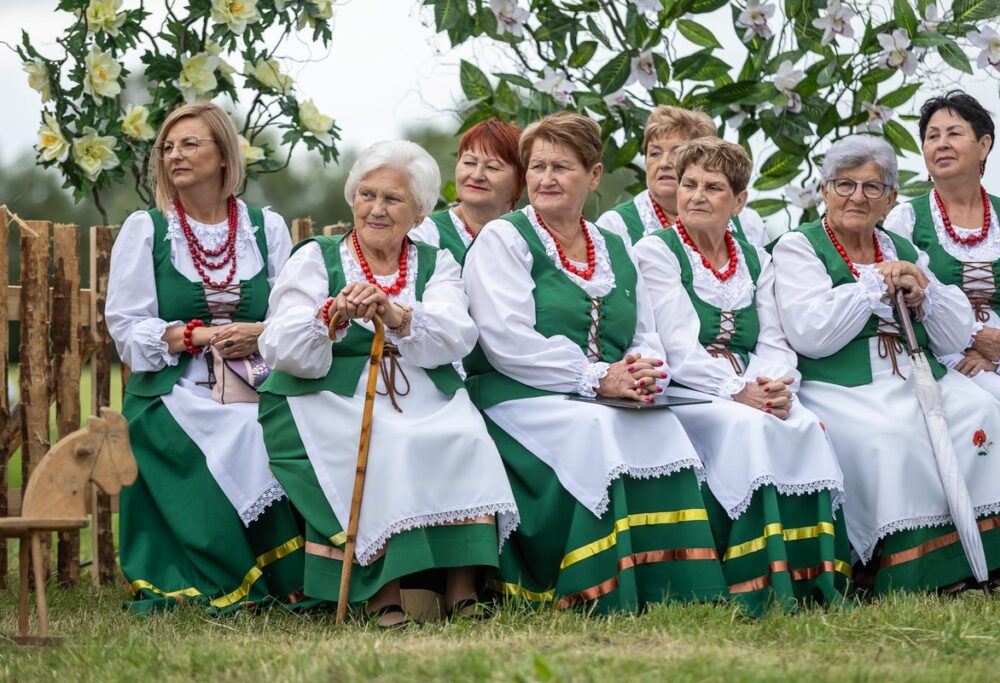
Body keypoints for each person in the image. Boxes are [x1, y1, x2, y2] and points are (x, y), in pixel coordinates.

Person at [463, 111, 727, 613]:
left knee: (663, 427)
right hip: (518, 391)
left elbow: (645, 331)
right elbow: (506, 341)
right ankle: (594, 587)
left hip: (605, 389)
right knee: (599, 431)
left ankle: (673, 587)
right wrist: (597, 377)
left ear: (594, 175)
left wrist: (644, 370)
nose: (545, 178)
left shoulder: (614, 244)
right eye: (537, 167)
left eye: (561, 167)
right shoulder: (505, 238)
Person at [257, 140, 519, 627]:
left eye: (392, 199)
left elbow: (457, 333)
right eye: (367, 195)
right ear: (352, 199)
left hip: (418, 384)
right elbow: (279, 341)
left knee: (465, 436)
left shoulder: (435, 261)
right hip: (332, 392)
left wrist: (396, 314)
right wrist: (329, 316)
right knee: (391, 440)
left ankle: (461, 589)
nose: (376, 209)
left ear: (419, 212)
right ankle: (384, 591)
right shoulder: (317, 258)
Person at [772, 134, 1000, 595]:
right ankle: (914, 572)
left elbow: (952, 333)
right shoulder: (798, 246)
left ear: (889, 200)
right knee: (892, 437)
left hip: (917, 372)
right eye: (844, 185)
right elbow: (811, 332)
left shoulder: (899, 245)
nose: (857, 197)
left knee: (982, 415)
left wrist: (923, 290)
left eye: (872, 188)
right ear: (825, 190)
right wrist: (871, 287)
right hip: (843, 384)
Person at [635, 138, 848, 615]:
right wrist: (737, 391)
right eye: (689, 184)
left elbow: (774, 338)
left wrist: (772, 386)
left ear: (739, 200)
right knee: (749, 427)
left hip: (752, 385)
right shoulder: (657, 251)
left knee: (806, 426)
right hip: (690, 391)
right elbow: (677, 347)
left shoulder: (756, 258)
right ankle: (754, 580)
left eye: (713, 187)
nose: (696, 195)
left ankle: (813, 577)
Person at [107, 102, 303, 613]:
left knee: (292, 424)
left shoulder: (267, 228)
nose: (175, 155)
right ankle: (246, 575)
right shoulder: (147, 229)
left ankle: (304, 571)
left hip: (256, 380)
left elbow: (294, 313)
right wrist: (198, 337)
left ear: (223, 155)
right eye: (167, 147)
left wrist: (258, 332)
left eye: (190, 144)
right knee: (243, 432)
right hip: (171, 390)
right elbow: (127, 329)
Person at [885, 91, 1000, 470]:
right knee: (993, 402)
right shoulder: (905, 220)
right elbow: (904, 302)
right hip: (945, 355)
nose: (941, 144)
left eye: (953, 133)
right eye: (932, 136)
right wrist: (971, 339)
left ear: (984, 145)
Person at [597, 105, 767, 246]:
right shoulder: (615, 225)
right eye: (654, 153)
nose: (664, 163)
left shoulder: (748, 223)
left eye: (677, 152)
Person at [410, 118, 525, 264]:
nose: (477, 175)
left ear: (521, 178)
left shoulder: (532, 236)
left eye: (493, 167)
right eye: (469, 163)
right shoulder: (425, 235)